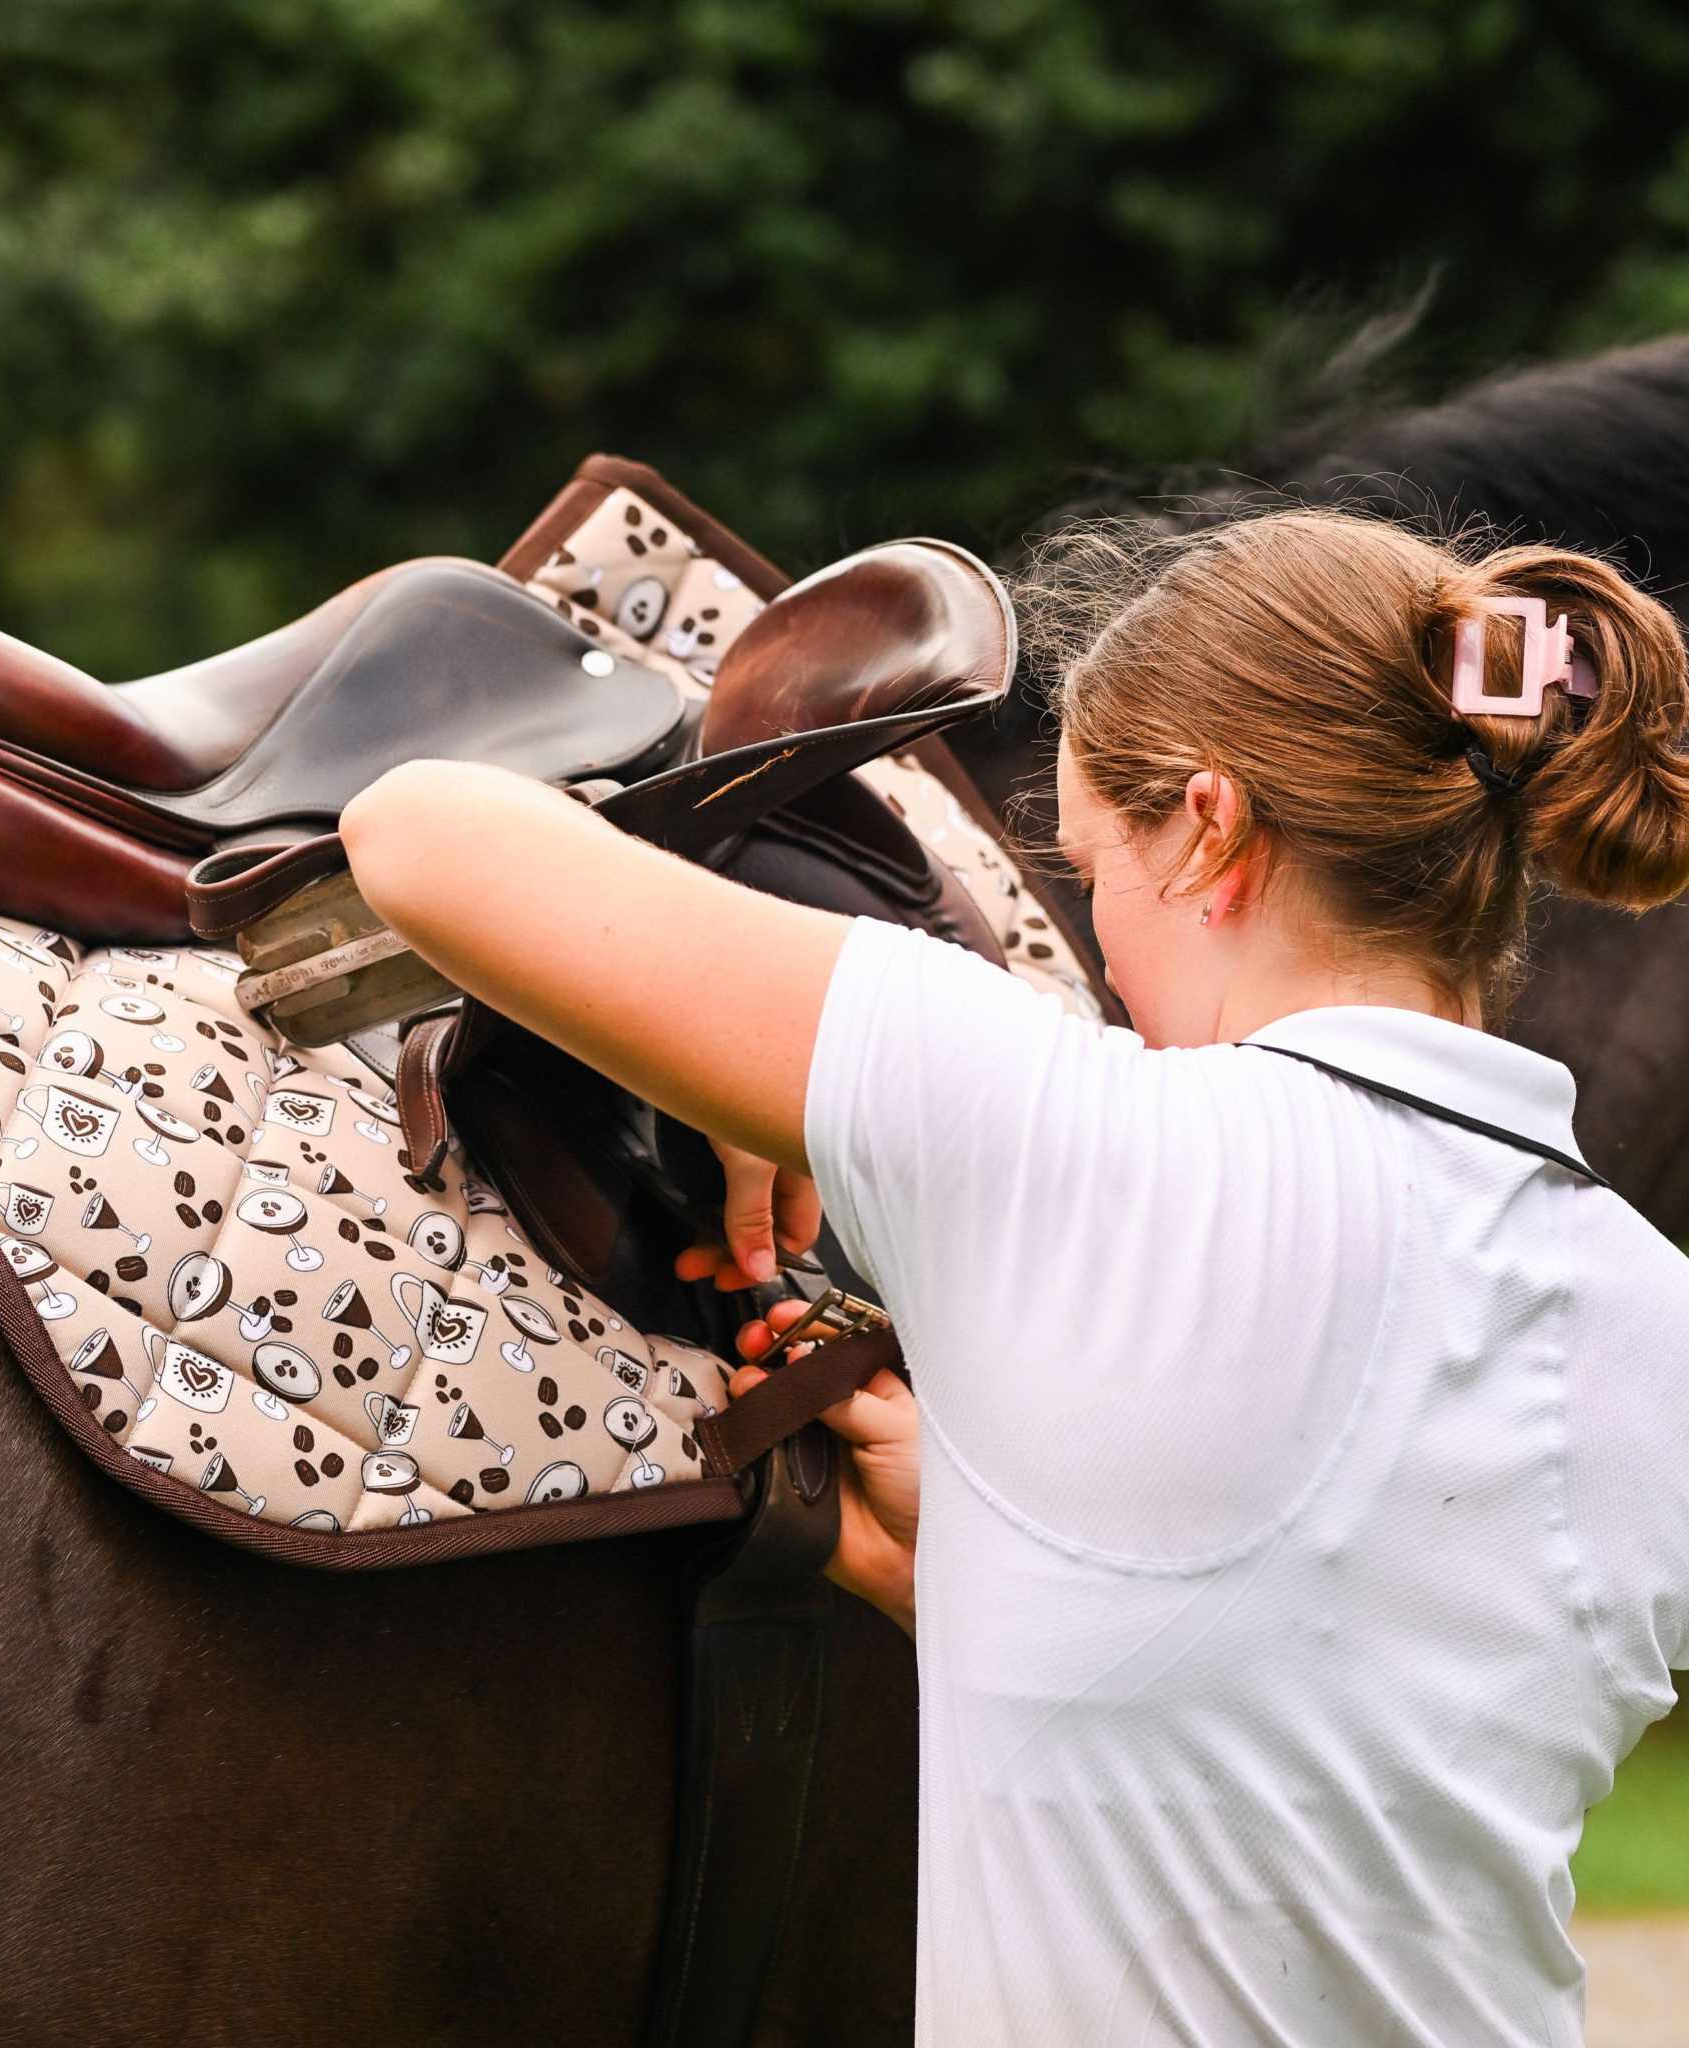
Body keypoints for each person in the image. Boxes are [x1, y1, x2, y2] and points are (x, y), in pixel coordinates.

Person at [335, 506, 1689, 2045]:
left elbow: (417, 829)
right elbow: (1344, 1659)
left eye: (1097, 865)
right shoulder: (1651, 1311)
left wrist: (727, 1071)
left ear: (1213, 829)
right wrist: (1004, 1559)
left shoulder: (1059, 1130)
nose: (1098, 937)